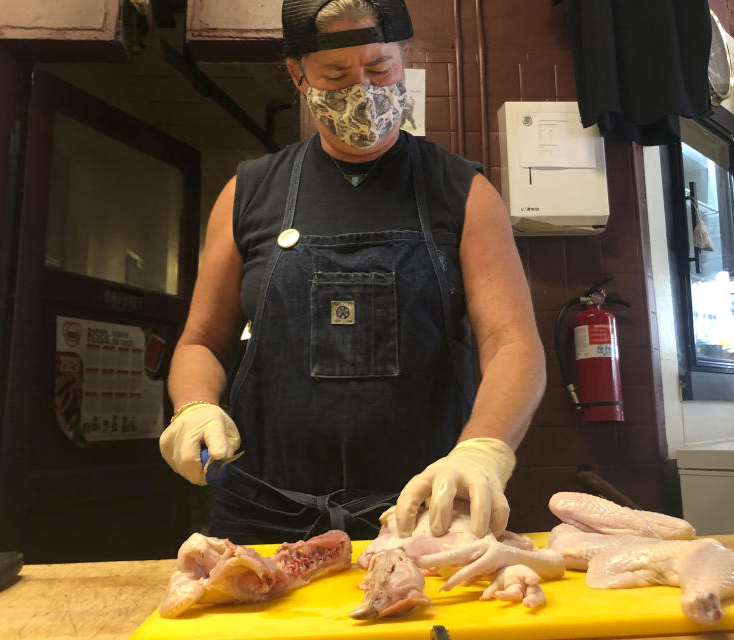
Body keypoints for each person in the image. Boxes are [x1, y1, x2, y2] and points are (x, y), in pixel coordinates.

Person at [160, 0, 545, 544]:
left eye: (379, 68)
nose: (362, 89)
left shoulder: (463, 192)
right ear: (299, 76)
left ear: (404, 59)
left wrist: (483, 450)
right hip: (264, 510)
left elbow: (513, 345)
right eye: (336, 75)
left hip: (424, 509)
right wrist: (194, 406)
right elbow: (200, 341)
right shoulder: (247, 193)